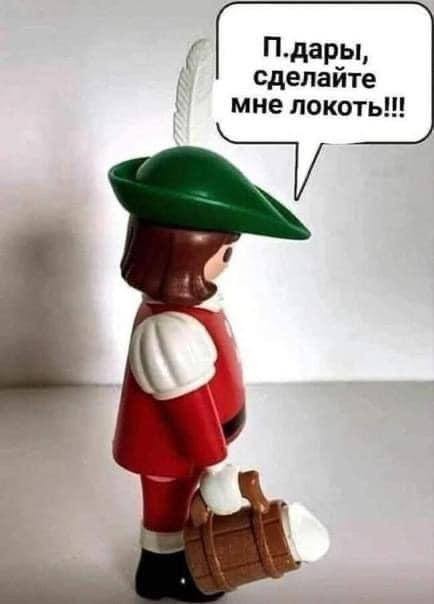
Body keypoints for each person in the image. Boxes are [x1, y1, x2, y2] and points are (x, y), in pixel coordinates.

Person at [108, 146, 328, 601]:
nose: (228, 259)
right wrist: (215, 464)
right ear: (185, 254)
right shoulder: (168, 330)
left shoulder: (190, 314)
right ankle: (162, 572)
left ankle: (167, 567)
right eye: (224, 251)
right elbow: (187, 409)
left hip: (188, 448)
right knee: (167, 510)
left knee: (176, 506)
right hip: (174, 450)